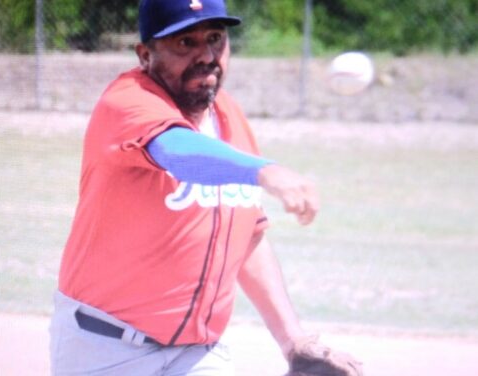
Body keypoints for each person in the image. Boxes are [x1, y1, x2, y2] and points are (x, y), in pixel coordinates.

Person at [49, 0, 363, 375]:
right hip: (107, 348)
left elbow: (245, 239)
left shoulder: (227, 115)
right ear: (145, 54)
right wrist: (265, 171)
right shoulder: (129, 100)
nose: (206, 55)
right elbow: (176, 151)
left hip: (198, 354)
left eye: (215, 38)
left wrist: (293, 341)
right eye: (185, 43)